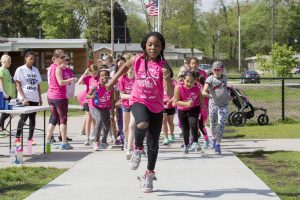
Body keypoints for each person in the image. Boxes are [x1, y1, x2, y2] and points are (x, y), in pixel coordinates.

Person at [106, 32, 173, 193]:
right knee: (142, 122)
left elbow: (170, 93)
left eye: (157, 45)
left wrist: (167, 78)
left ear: (161, 47)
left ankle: (149, 175)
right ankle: (137, 149)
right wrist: (113, 81)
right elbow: (124, 67)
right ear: (144, 45)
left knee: (153, 144)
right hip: (138, 100)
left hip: (156, 106)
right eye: (150, 44)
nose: (153, 47)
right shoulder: (138, 59)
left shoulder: (163, 66)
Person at [45, 49, 77, 150]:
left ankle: (47, 142)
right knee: (63, 119)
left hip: (51, 96)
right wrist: (70, 80)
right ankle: (64, 142)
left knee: (54, 118)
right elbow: (60, 82)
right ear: (56, 58)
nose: (64, 59)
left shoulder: (51, 67)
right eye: (62, 57)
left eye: (64, 57)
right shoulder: (58, 68)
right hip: (59, 96)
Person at [14, 51, 42, 145]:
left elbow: (38, 85)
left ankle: (30, 138)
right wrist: (24, 98)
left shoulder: (35, 70)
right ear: (25, 58)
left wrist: (40, 97)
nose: (32, 61)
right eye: (30, 59)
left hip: (34, 98)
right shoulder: (20, 69)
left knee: (32, 119)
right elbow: (18, 85)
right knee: (23, 118)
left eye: (33, 59)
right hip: (25, 98)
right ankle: (17, 137)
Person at [173, 70, 204, 153]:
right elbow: (175, 102)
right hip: (182, 109)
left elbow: (201, 100)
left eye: (191, 81)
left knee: (193, 122)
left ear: (195, 80)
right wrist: (185, 103)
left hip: (194, 107)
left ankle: (195, 142)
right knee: (185, 128)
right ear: (183, 79)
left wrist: (204, 108)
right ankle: (186, 145)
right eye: (187, 81)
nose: (189, 84)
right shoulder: (178, 87)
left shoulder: (197, 88)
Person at [202, 61, 229, 155]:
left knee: (221, 122)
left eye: (219, 70)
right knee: (213, 124)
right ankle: (213, 138)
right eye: (215, 70)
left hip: (224, 104)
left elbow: (225, 87)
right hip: (213, 104)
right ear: (212, 70)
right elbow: (203, 91)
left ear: (222, 70)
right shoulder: (210, 79)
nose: (217, 71)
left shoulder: (225, 78)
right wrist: (209, 95)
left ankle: (218, 143)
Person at [86, 69, 114, 151]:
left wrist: (112, 112)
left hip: (105, 107)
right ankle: (96, 142)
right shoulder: (96, 87)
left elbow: (112, 101)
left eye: (106, 75)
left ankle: (103, 142)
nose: (104, 77)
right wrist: (92, 97)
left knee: (107, 124)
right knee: (99, 120)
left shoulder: (110, 87)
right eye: (102, 75)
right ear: (99, 77)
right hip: (94, 107)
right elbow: (87, 96)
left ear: (108, 77)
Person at [188, 57, 209, 148]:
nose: (194, 65)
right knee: (192, 123)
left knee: (200, 124)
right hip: (191, 104)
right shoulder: (187, 75)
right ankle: (191, 141)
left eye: (195, 63)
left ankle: (206, 140)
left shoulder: (202, 76)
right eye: (192, 63)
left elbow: (206, 88)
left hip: (201, 104)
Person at [77, 64, 99, 145]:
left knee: (95, 119)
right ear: (90, 72)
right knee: (88, 118)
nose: (94, 74)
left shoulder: (99, 78)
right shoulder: (88, 78)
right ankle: (87, 138)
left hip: (96, 101)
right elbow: (79, 82)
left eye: (96, 73)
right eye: (93, 73)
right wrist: (85, 73)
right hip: (87, 100)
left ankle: (94, 134)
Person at [118, 57, 135, 158]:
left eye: (133, 68)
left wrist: (132, 97)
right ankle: (127, 141)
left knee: (132, 126)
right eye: (129, 68)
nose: (131, 70)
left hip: (134, 105)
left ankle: (132, 146)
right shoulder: (122, 79)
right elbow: (122, 95)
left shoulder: (137, 79)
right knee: (125, 128)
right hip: (125, 105)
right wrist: (132, 95)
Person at [162, 66, 176, 145]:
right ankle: (166, 137)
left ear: (170, 73)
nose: (165, 74)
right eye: (163, 73)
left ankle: (171, 134)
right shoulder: (159, 82)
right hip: (162, 104)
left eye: (166, 72)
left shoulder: (173, 82)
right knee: (163, 121)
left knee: (170, 121)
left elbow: (176, 94)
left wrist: (170, 100)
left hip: (170, 104)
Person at [0, 55, 13, 133]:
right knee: (5, 112)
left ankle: (1, 127)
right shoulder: (1, 70)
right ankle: (2, 129)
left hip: (9, 95)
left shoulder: (7, 71)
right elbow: (0, 83)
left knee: (8, 112)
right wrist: (4, 93)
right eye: (9, 61)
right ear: (4, 61)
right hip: (4, 95)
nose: (10, 63)